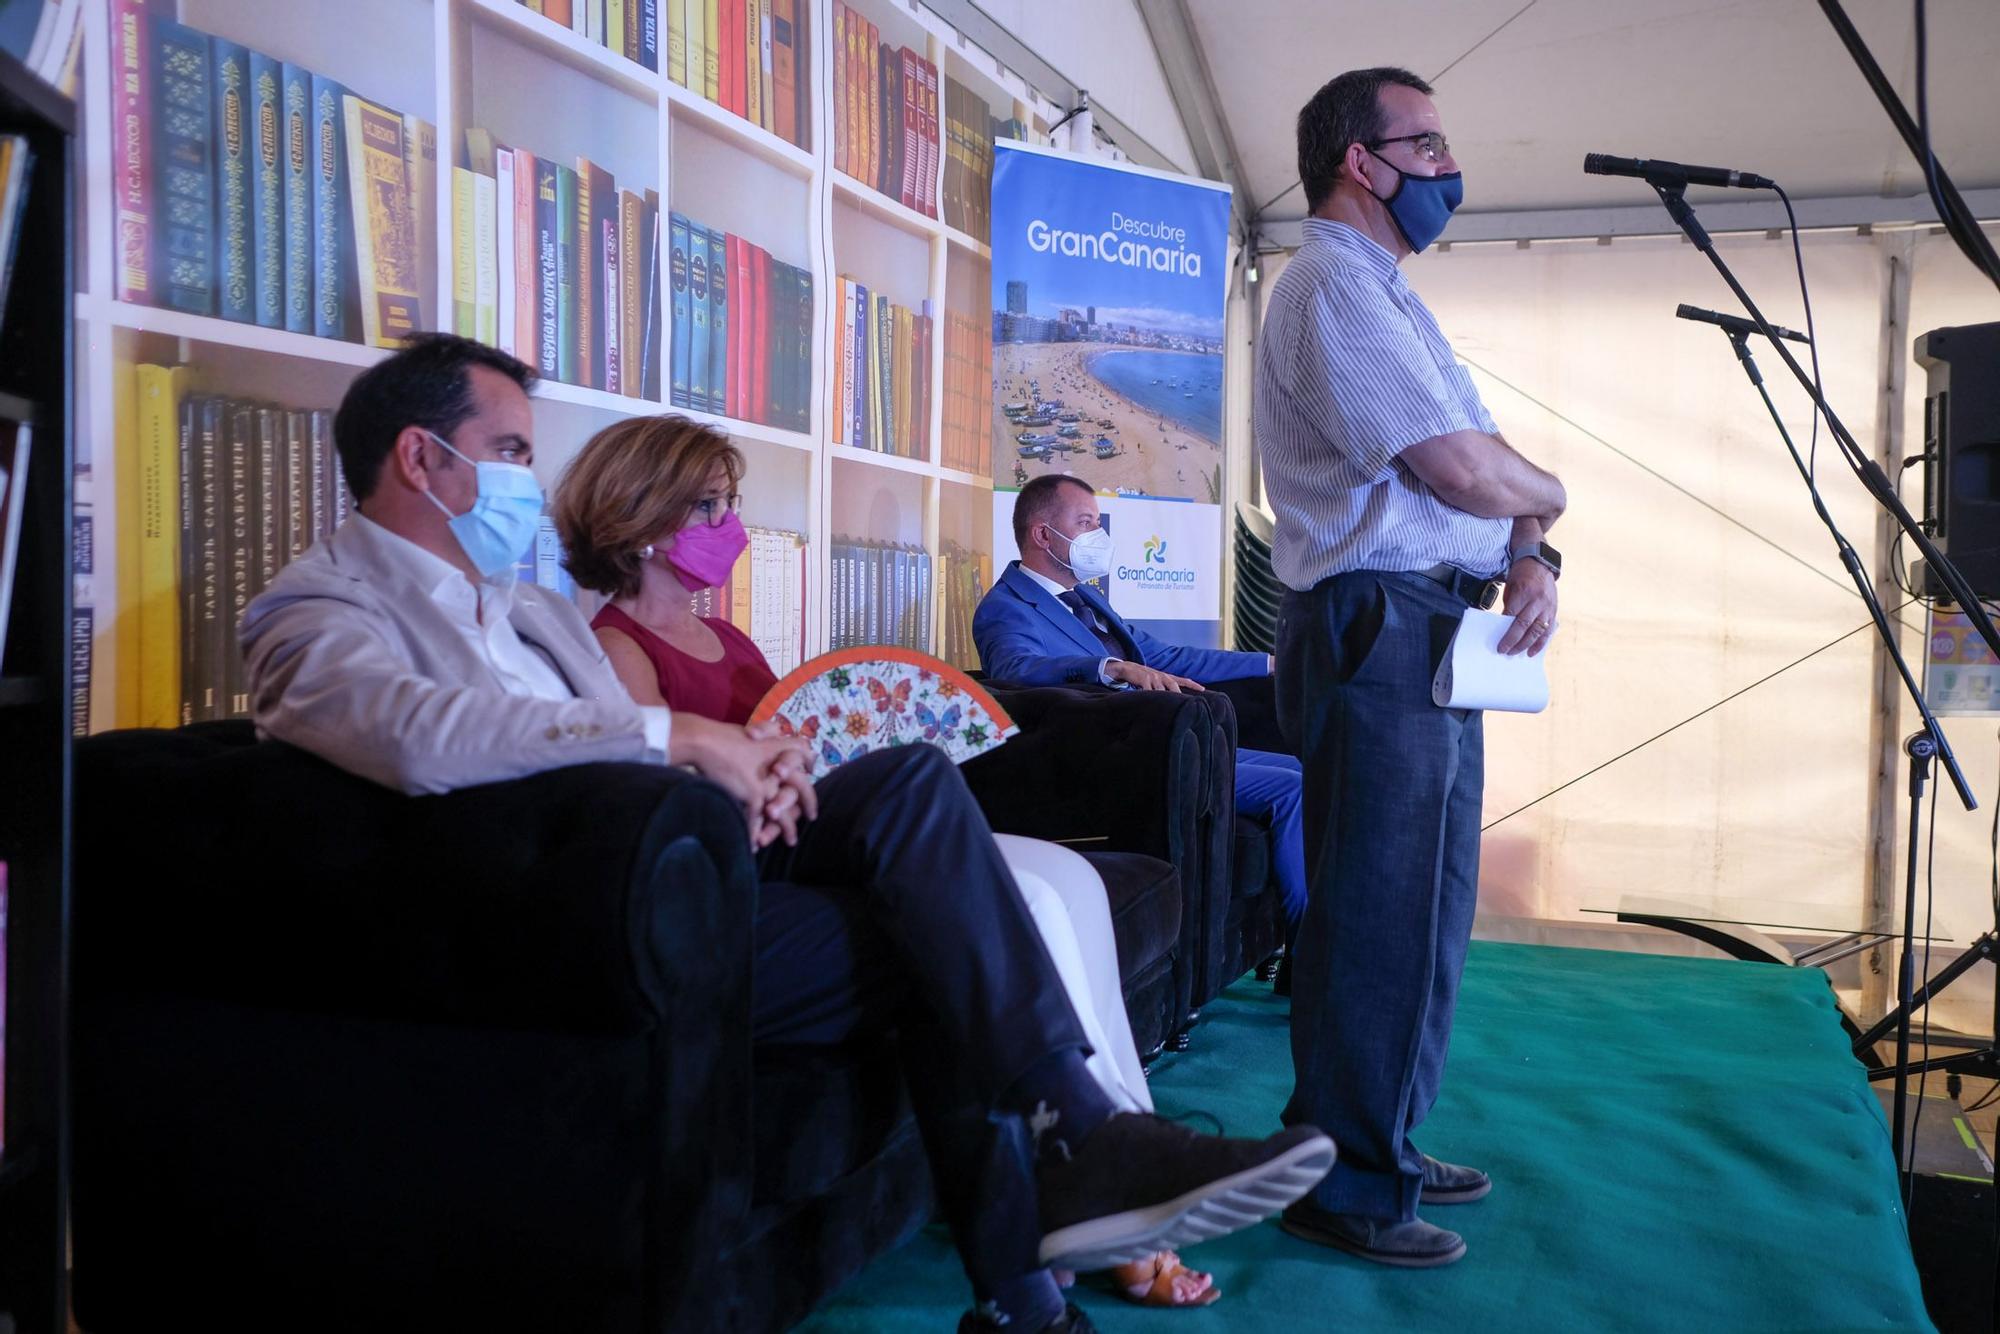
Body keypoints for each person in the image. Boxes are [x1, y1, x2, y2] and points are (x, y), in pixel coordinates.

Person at [239, 334, 1333, 1333]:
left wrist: (744, 773)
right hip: (571, 939)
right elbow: (421, 736)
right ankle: (1048, 1232)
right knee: (937, 938)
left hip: (674, 880)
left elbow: (603, 761)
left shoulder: (521, 610)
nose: (531, 478)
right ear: (423, 459)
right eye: (511, 449)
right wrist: (684, 741)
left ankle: (1066, 1172)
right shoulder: (315, 610)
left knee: (908, 791)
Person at [549, 414, 1221, 1312]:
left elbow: (793, 742)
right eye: (710, 506)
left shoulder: (737, 643)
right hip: (748, 868)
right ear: (639, 520)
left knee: (977, 885)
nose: (732, 526)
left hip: (816, 843)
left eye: (732, 503)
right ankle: (1079, 1134)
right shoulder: (615, 651)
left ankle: (1035, 1272)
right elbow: (656, 800)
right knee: (919, 813)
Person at [1252, 69, 1566, 1268]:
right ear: (1356, 161)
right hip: (1373, 618)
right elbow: (1463, 470)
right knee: (1376, 910)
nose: (1445, 165)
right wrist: (1545, 499)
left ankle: (1375, 1131)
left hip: (1434, 620)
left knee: (1428, 904)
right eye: (1422, 141)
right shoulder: (1331, 284)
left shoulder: (1388, 296)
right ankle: (1342, 1176)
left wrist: (1534, 548)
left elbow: (1494, 477)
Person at [971, 474, 1309, 929]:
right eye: (1086, 521)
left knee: (1302, 772)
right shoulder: (1005, 607)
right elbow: (1013, 670)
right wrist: (1109, 668)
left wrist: (1270, 664)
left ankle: (1304, 937)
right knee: (1292, 791)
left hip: (1167, 740)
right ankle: (1310, 947)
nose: (1098, 534)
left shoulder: (1087, 597)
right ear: (1042, 534)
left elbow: (1165, 656)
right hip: (1116, 759)